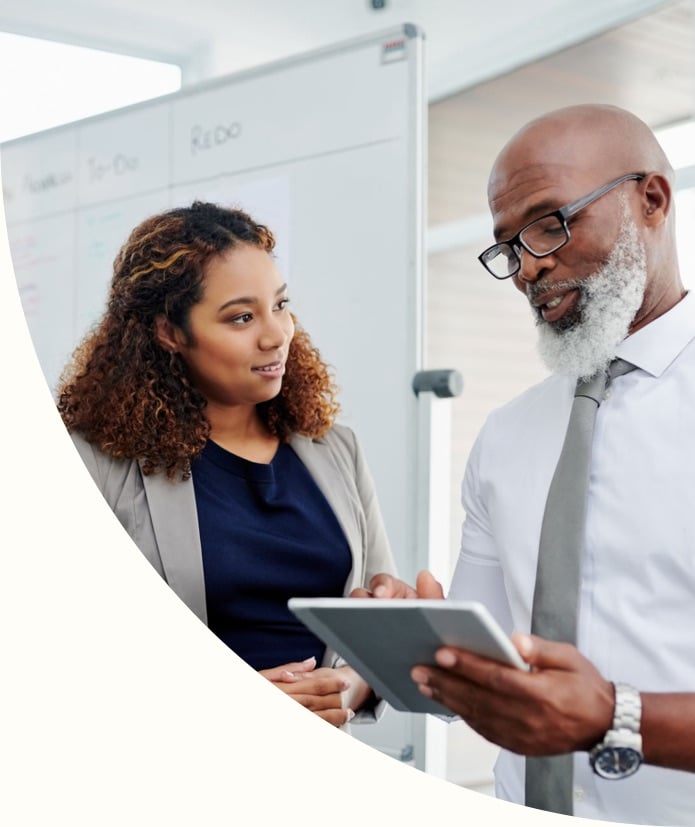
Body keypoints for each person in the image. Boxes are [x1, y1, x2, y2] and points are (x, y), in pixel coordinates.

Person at [356, 104, 695, 824]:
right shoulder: (507, 435)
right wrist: (420, 641)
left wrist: (613, 715)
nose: (528, 267)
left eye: (550, 221)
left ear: (652, 200)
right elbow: (500, 665)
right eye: (507, 245)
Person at [58, 200, 397, 728]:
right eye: (241, 317)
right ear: (170, 331)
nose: (276, 334)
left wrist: (344, 688)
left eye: (280, 305)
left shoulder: (337, 450)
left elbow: (376, 632)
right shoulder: (93, 463)